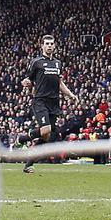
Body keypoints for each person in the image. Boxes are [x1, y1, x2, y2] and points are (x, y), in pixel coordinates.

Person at [20, 34, 79, 174]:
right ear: (42, 46)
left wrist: (70, 95)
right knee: (45, 130)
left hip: (54, 103)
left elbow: (60, 83)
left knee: (46, 137)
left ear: (54, 46)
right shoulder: (37, 62)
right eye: (47, 44)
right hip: (40, 100)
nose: (49, 46)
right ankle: (22, 138)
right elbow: (28, 79)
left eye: (51, 43)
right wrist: (26, 83)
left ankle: (28, 165)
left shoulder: (58, 63)